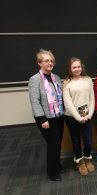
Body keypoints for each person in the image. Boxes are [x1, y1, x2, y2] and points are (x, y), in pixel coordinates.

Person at [28, 49, 64, 181]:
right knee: (53, 144)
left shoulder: (56, 78)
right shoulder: (35, 79)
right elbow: (34, 101)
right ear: (39, 63)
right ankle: (52, 172)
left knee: (58, 143)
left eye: (51, 61)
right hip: (45, 118)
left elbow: (61, 96)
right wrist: (42, 119)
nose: (50, 63)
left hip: (58, 116)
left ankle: (57, 165)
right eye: (46, 61)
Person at [63, 57, 95, 176]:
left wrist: (89, 115)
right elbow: (68, 104)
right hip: (72, 117)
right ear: (70, 69)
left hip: (87, 116)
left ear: (82, 67)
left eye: (78, 67)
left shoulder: (87, 80)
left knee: (88, 142)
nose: (77, 69)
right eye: (74, 67)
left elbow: (92, 98)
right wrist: (79, 118)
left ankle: (87, 159)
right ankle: (80, 162)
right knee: (76, 140)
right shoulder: (66, 83)